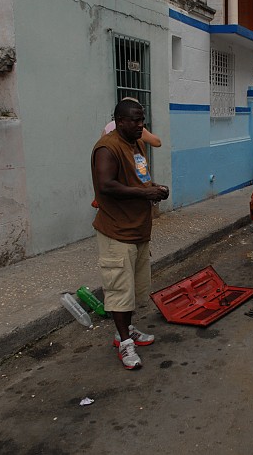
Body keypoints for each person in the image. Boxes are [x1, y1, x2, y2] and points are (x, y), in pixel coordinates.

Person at [91, 99, 170, 370]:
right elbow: (106, 185)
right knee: (119, 290)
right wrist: (144, 192)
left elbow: (137, 177)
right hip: (117, 231)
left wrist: (153, 188)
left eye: (142, 120)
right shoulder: (107, 147)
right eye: (135, 121)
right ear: (120, 121)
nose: (140, 125)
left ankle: (124, 331)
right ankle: (125, 344)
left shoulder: (136, 143)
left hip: (138, 228)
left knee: (134, 289)